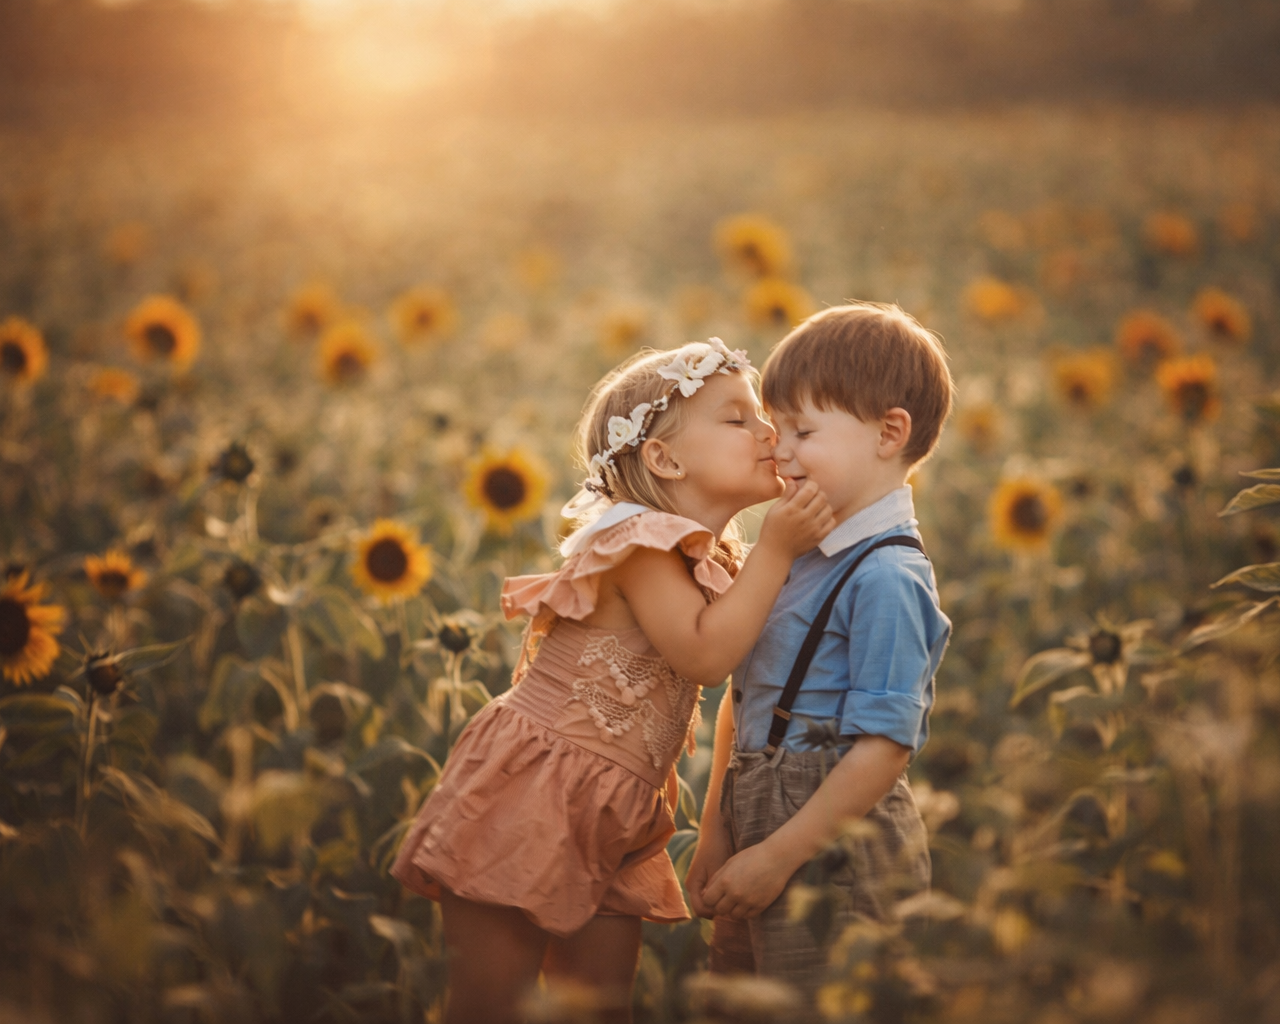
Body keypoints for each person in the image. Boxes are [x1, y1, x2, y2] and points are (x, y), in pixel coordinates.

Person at [390, 337, 835, 1024]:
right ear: (663, 458)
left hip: (618, 807)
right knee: (489, 1005)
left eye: (762, 416)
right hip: (535, 790)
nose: (767, 430)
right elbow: (704, 656)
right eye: (737, 417)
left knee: (596, 1007)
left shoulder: (713, 556)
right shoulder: (638, 541)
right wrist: (779, 546)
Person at [685, 303, 955, 994]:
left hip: (833, 848)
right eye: (778, 430)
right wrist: (720, 829)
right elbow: (744, 699)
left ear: (889, 433)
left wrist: (777, 856)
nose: (780, 449)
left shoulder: (887, 575)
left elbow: (883, 750)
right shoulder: (797, 550)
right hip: (757, 820)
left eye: (803, 431)